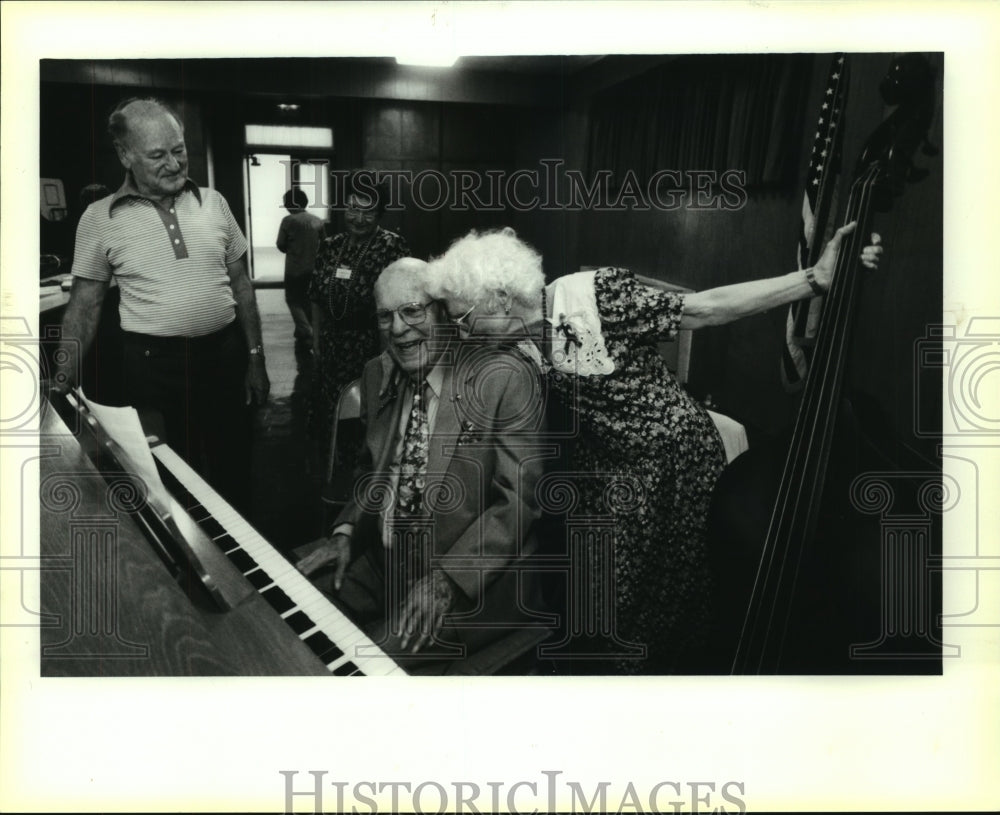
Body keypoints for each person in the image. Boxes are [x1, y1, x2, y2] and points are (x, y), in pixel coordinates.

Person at [424, 224, 883, 674]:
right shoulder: (517, 338)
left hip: (671, 462)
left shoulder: (594, 297)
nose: (463, 333)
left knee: (655, 604)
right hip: (608, 467)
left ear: (502, 300)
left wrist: (812, 280)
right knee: (597, 597)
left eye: (464, 319)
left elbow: (706, 308)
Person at [296, 258, 547, 673]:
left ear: (443, 312)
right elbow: (371, 470)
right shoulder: (379, 373)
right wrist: (345, 530)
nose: (397, 330)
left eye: (412, 311)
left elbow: (519, 500)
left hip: (469, 579)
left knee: (360, 668)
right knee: (288, 606)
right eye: (385, 316)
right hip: (384, 560)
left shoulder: (504, 377)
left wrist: (448, 579)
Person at [53, 97, 269, 512]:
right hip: (154, 367)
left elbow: (242, 285)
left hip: (225, 356)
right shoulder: (99, 219)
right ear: (125, 155)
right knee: (172, 472)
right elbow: (84, 306)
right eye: (158, 155)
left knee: (235, 463)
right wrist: (62, 382)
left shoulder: (215, 202)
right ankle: (195, 561)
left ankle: (245, 553)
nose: (174, 164)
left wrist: (256, 358)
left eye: (179, 150)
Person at [307, 172, 409, 472]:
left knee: (368, 416)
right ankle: (333, 474)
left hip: (371, 348)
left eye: (368, 211)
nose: (359, 218)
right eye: (353, 208)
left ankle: (368, 481)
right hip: (332, 347)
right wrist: (315, 344)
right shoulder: (330, 246)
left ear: (379, 213)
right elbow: (315, 296)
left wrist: (389, 356)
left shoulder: (392, 247)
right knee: (331, 418)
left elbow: (398, 304)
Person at [276, 187, 324, 353]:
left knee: (293, 300)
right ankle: (303, 330)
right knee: (309, 300)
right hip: (314, 269)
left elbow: (281, 244)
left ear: (290, 204)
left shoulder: (288, 221)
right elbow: (325, 244)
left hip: (294, 270)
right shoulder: (317, 220)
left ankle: (307, 331)